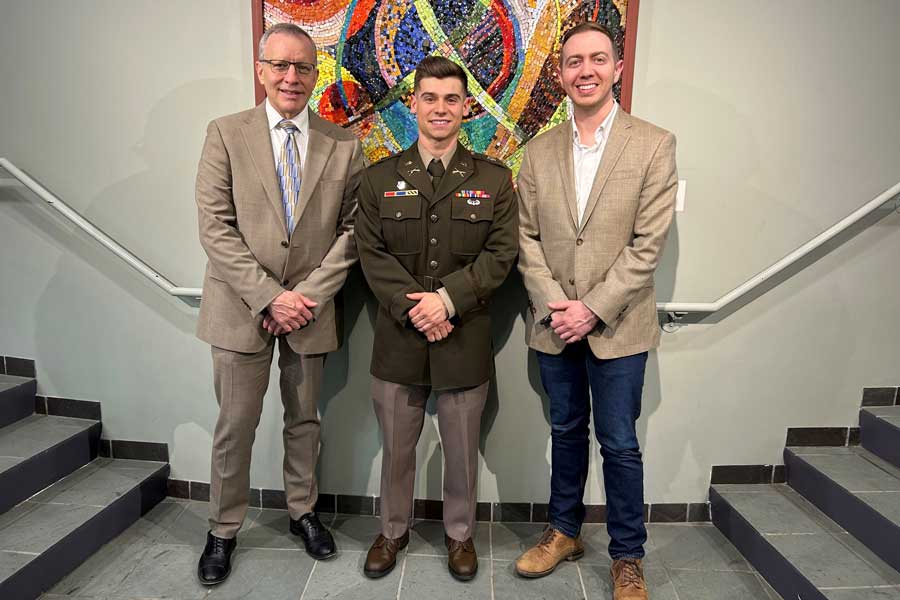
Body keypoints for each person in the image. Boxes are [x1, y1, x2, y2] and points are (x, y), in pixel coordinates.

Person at [194, 22, 364, 585]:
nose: (292, 77)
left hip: (311, 312)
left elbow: (354, 230)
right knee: (234, 426)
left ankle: (303, 512)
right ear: (262, 70)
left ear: (317, 75)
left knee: (305, 422)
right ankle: (222, 529)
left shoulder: (344, 142)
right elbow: (215, 228)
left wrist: (305, 297)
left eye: (304, 68)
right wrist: (270, 297)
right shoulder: (225, 133)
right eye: (282, 66)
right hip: (240, 308)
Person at [514, 22, 677, 600]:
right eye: (574, 61)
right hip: (555, 322)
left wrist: (593, 309)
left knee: (619, 443)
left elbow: (647, 245)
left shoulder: (654, 144)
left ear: (617, 68)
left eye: (597, 59)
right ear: (560, 74)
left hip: (619, 325)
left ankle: (628, 556)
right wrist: (557, 305)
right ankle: (563, 532)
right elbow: (525, 238)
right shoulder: (538, 149)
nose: (585, 70)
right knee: (564, 432)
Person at [354, 56, 518, 582]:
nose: (440, 108)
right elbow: (371, 254)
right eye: (430, 97)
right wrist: (419, 308)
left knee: (462, 453)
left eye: (451, 99)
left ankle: (460, 536)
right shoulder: (379, 178)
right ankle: (392, 530)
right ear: (413, 104)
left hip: (463, 338)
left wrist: (446, 302)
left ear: (467, 107)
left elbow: (500, 255)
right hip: (399, 340)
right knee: (396, 450)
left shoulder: (494, 180)